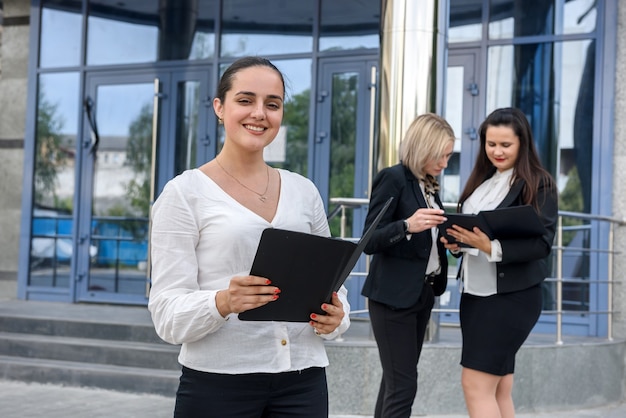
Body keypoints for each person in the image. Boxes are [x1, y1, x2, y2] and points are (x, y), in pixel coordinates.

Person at [147, 56, 350, 418]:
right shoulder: (184, 194)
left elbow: (335, 285)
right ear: (219, 108)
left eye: (272, 104)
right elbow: (166, 314)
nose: (260, 113)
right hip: (219, 386)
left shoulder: (304, 191)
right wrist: (224, 301)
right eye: (245, 100)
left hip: (303, 381)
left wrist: (338, 316)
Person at [442, 107, 558, 418]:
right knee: (499, 388)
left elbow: (542, 243)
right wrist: (457, 244)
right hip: (475, 296)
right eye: (491, 144)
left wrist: (490, 246)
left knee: (475, 385)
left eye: (506, 145)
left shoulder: (538, 183)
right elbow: (471, 234)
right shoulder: (482, 182)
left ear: (522, 143)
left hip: (511, 298)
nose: (497, 151)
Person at [361, 113, 454, 418]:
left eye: (448, 155)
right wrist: (407, 226)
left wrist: (450, 242)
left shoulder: (430, 186)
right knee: (403, 386)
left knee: (395, 383)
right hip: (392, 298)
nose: (444, 163)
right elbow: (369, 240)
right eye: (440, 154)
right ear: (422, 148)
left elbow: (426, 243)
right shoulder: (395, 178)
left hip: (421, 294)